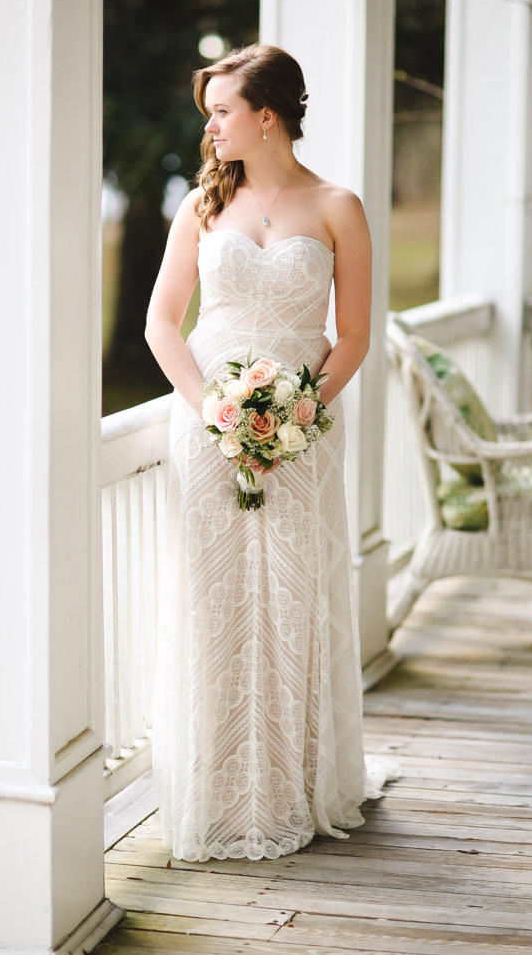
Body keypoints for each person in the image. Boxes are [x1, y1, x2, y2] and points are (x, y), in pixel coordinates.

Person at [145, 43, 387, 863]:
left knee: (294, 600)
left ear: (267, 116)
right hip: (208, 432)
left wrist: (297, 415)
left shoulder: (338, 206)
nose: (209, 126)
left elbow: (352, 334)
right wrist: (215, 409)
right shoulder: (203, 208)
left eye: (220, 111)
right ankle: (218, 794)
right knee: (214, 607)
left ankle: (290, 785)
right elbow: (161, 325)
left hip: (302, 431)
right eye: (209, 111)